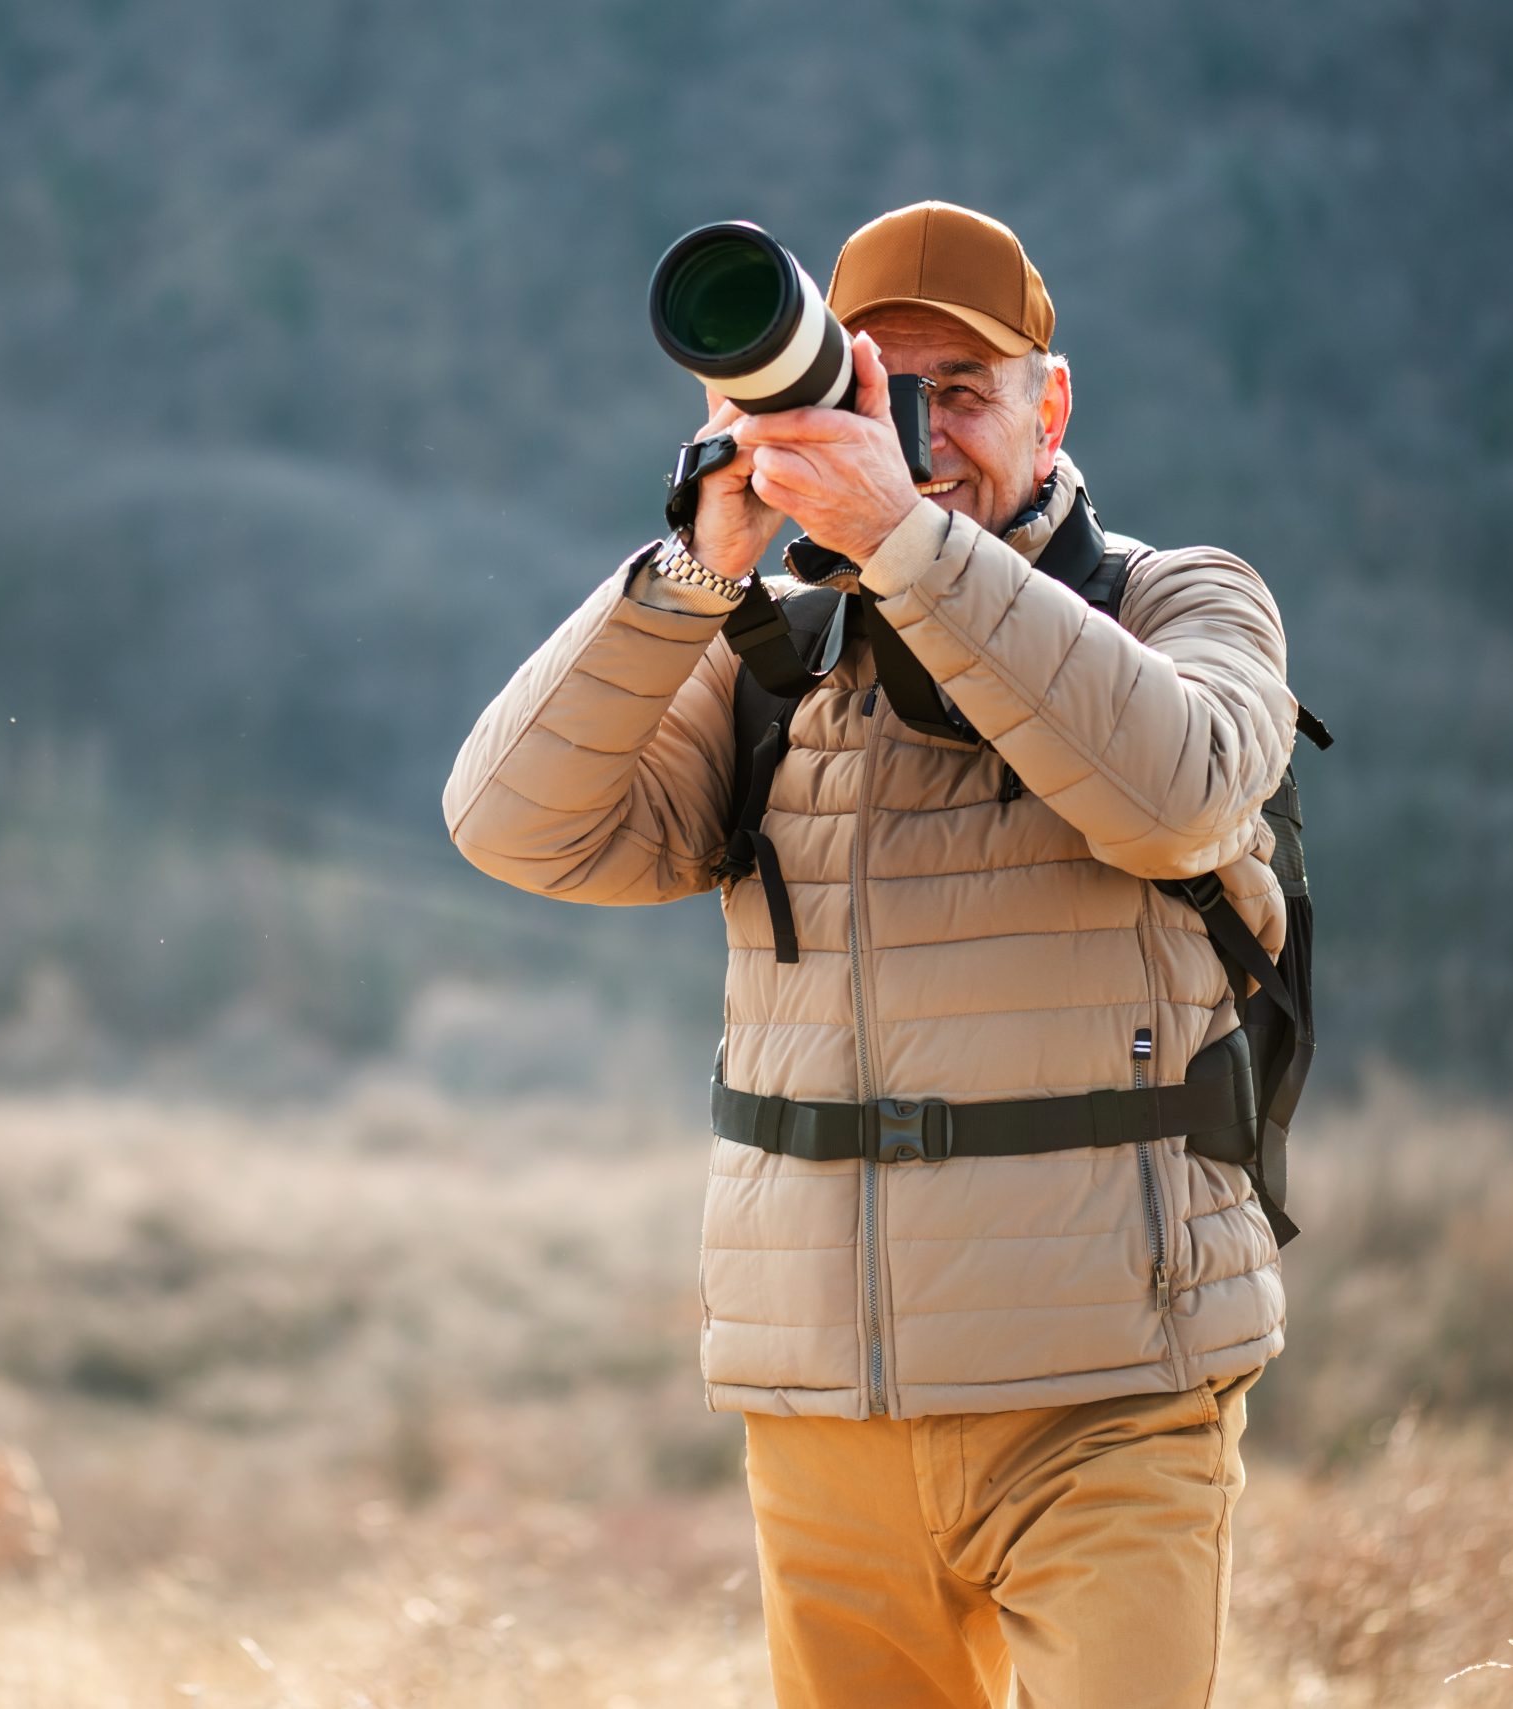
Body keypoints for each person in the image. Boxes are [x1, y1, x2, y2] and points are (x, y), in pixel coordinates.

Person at [441, 201, 1298, 1709]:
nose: (923, 434)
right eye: (880, 398)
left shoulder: (1180, 599)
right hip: (825, 1407)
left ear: (1055, 399)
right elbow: (512, 823)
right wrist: (698, 567)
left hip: (1109, 1393)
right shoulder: (769, 655)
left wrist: (901, 540)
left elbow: (1177, 797)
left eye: (958, 395)